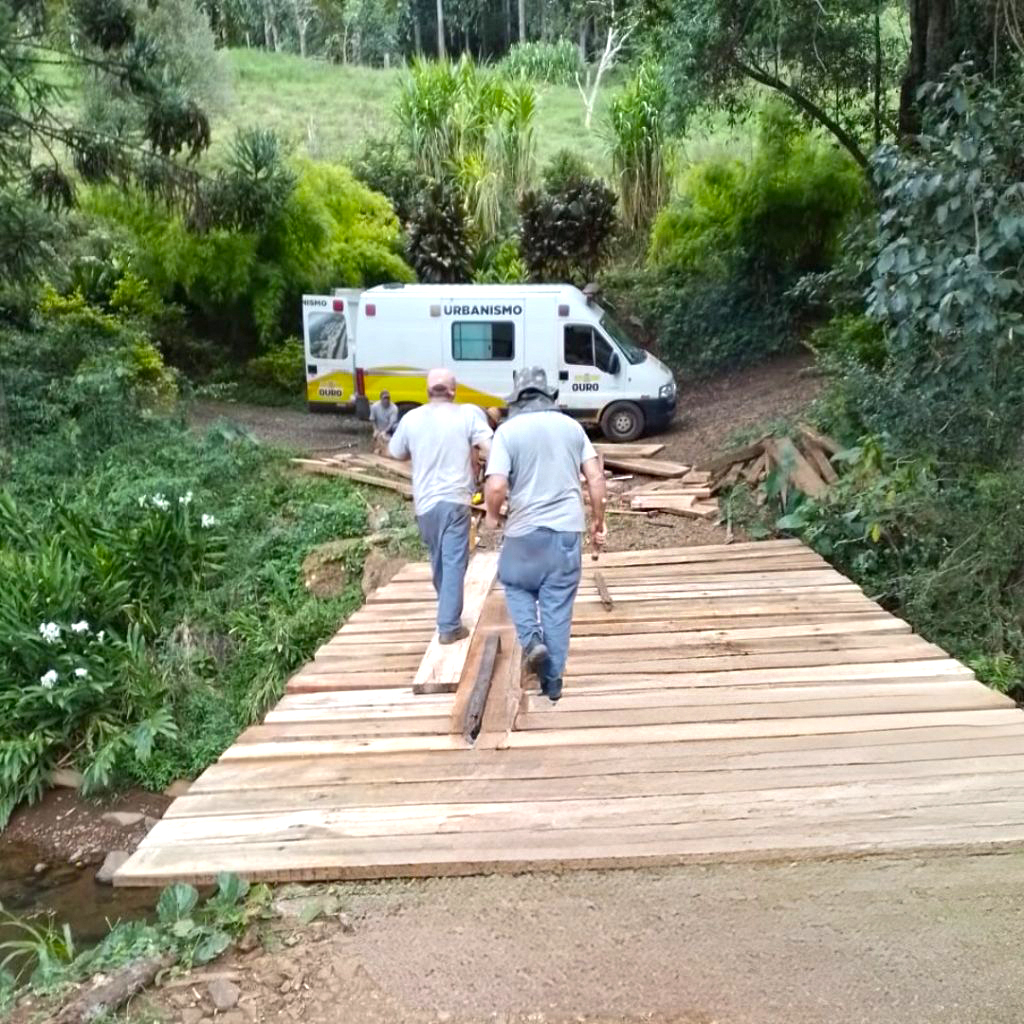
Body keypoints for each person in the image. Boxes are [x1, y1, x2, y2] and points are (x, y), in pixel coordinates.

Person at [484, 367, 607, 702]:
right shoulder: (572, 428)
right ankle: (552, 682)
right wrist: (598, 520)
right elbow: (596, 480)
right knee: (557, 605)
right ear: (550, 397)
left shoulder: (507, 433)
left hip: (523, 532)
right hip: (566, 532)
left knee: (515, 583)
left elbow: (495, 485)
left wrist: (492, 517)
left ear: (516, 400)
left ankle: (532, 642)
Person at [389, 369, 493, 644]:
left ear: (427, 391)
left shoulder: (411, 419)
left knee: (439, 560)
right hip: (455, 500)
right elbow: (491, 446)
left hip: (424, 504)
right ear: (453, 391)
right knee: (454, 562)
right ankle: (448, 625)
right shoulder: (468, 414)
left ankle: (446, 607)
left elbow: (395, 451)